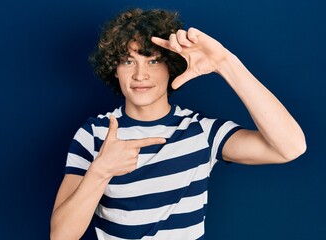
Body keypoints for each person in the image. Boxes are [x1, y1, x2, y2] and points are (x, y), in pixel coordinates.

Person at [50, 8, 306, 240]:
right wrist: (100, 171)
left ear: (171, 66)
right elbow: (61, 236)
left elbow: (290, 147)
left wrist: (225, 63)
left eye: (153, 60)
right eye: (128, 61)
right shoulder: (94, 133)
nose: (140, 75)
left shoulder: (201, 131)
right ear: (114, 69)